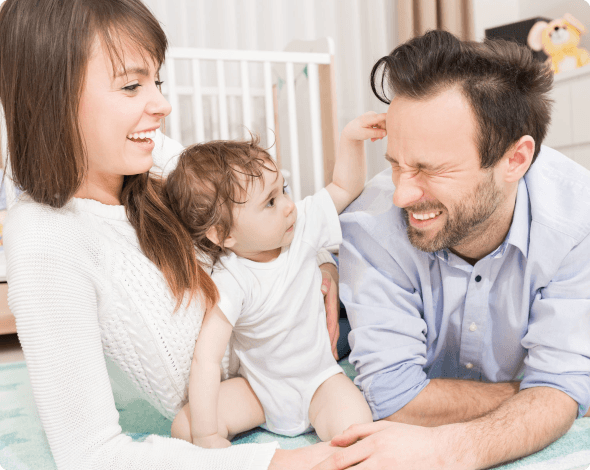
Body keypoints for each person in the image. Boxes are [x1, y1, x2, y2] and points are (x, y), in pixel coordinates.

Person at [0, 0, 343, 468]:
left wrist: (320, 256)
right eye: (131, 85)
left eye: (156, 82)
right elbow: (90, 455)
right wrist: (279, 462)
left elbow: (254, 212)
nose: (161, 104)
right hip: (260, 393)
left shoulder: (155, 160)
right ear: (52, 97)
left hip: (309, 343)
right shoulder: (46, 240)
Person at [311, 30, 590, 469]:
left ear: (515, 160)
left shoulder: (576, 218)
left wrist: (450, 449)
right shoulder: (370, 227)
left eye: (429, 169)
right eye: (396, 164)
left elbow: (561, 383)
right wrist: (546, 394)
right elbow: (394, 396)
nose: (402, 194)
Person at [166, 114, 384, 447]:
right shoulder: (230, 278)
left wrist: (350, 139)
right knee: (185, 425)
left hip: (319, 381)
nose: (287, 206)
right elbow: (206, 359)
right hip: (259, 390)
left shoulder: (303, 229)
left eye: (282, 190)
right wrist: (206, 433)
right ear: (223, 235)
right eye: (270, 202)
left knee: (356, 429)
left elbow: (345, 186)